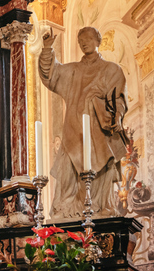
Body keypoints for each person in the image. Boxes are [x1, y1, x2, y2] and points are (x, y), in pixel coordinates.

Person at [38, 26, 127, 219]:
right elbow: (50, 74)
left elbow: (118, 98)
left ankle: (100, 206)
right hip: (74, 130)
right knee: (68, 172)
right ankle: (67, 208)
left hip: (100, 131)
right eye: (80, 41)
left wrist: (117, 116)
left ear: (98, 40)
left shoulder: (111, 69)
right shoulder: (72, 70)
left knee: (101, 171)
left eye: (87, 38)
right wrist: (47, 50)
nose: (84, 43)